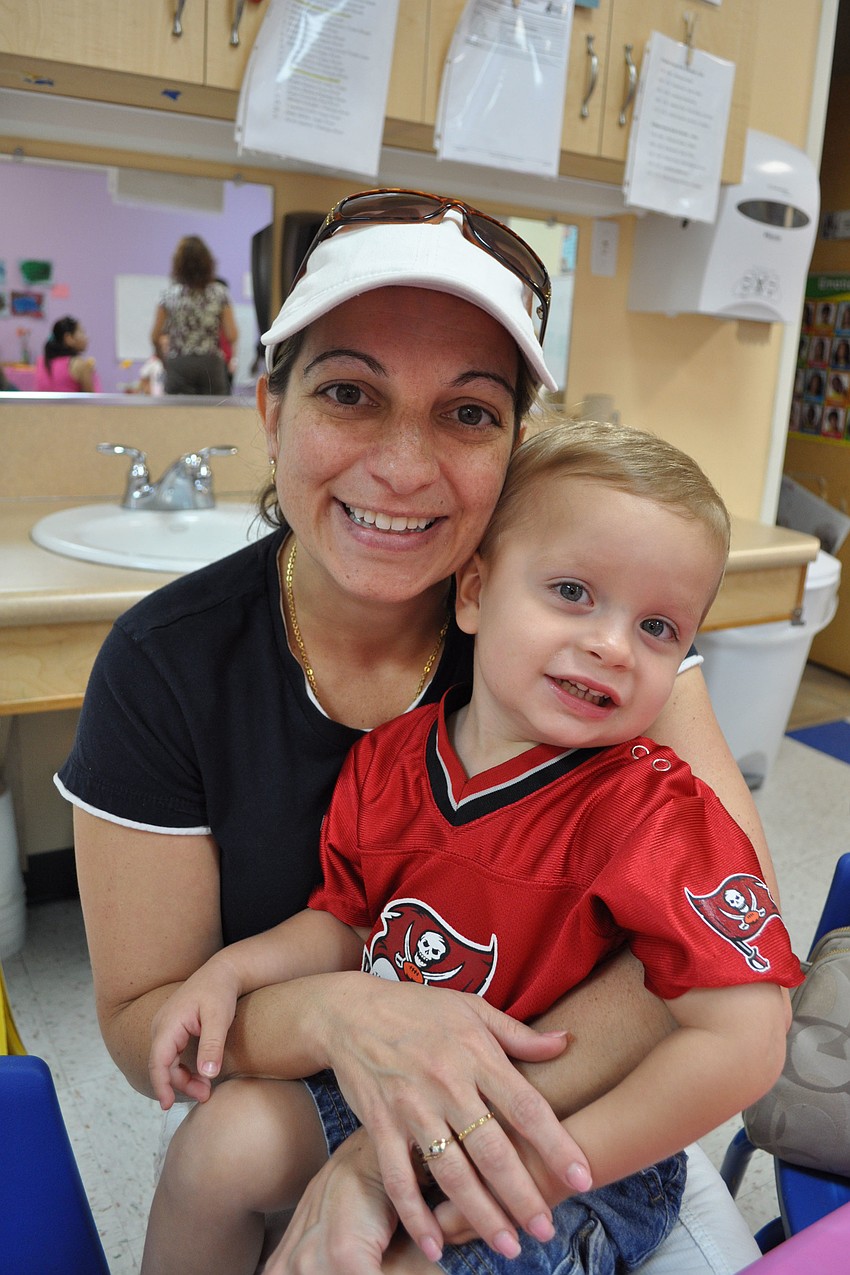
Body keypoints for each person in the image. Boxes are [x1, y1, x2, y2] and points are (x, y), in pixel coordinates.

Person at [59, 188, 779, 1275]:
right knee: (215, 1158)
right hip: (313, 1075)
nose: (401, 467)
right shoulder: (187, 671)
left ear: (514, 449)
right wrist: (348, 1017)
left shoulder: (592, 652)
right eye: (349, 392)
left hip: (575, 1120)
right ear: (270, 406)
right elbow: (163, 1015)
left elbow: (733, 973)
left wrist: (455, 1136)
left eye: (468, 411)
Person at [143, 420, 800, 1275]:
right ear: (475, 594)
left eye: (659, 628)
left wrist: (551, 1160)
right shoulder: (390, 760)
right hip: (403, 1092)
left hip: (568, 1143)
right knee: (214, 1148)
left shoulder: (657, 815)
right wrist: (234, 970)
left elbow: (750, 1038)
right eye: (572, 591)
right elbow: (347, 920)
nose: (611, 643)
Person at [151, 235, 238, 395]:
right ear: (207, 262)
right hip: (211, 364)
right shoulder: (219, 293)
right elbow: (231, 335)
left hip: (179, 364)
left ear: (178, 264)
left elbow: (155, 336)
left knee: (178, 417)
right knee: (216, 417)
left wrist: (165, 361)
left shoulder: (168, 295)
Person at [34, 316, 101, 392]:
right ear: (68, 338)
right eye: (82, 332)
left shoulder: (41, 361)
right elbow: (91, 400)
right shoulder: (79, 364)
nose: (86, 338)